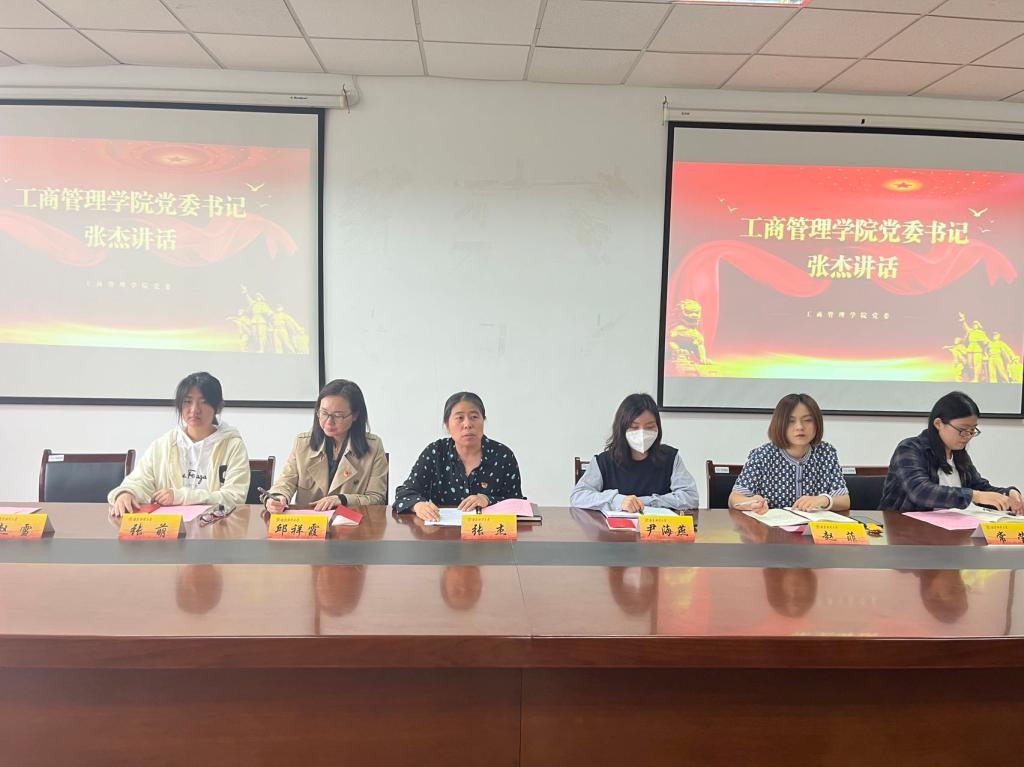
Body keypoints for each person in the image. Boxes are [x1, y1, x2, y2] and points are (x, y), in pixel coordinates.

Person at [108, 372, 250, 515]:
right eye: (187, 402)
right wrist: (126, 493)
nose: (194, 410)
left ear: (218, 407)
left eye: (204, 402)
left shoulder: (232, 446)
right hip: (169, 525)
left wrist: (181, 496)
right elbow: (139, 481)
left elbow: (235, 497)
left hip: (216, 524)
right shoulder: (164, 445)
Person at [878, 390, 1022, 513]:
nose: (967, 436)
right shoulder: (909, 449)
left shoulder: (959, 454)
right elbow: (920, 492)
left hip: (950, 530)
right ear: (938, 424)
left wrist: (1007, 493)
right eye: (962, 430)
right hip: (905, 529)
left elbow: (980, 487)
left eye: (972, 430)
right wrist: (975, 495)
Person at [393, 392, 523, 520]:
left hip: (489, 531)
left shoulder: (502, 455)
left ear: (483, 420)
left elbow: (518, 504)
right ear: (447, 425)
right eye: (460, 418)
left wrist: (488, 500)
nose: (467, 424)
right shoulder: (436, 452)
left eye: (474, 417)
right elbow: (405, 493)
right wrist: (418, 505)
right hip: (442, 530)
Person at [264, 379, 387, 512]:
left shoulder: (373, 447)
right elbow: (285, 481)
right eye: (324, 413)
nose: (329, 421)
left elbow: (377, 498)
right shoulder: (302, 443)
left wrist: (343, 499)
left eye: (338, 415)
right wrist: (278, 497)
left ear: (355, 415)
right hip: (309, 521)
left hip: (350, 521)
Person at [570, 393, 698, 513]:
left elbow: (691, 497)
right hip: (612, 529)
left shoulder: (670, 457)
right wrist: (617, 500)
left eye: (649, 427)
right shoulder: (604, 461)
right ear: (622, 428)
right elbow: (578, 496)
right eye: (634, 427)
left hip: (657, 527)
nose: (642, 433)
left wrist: (646, 502)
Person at [728, 393, 850, 512]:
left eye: (807, 420)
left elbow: (844, 501)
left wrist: (824, 499)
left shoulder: (826, 453)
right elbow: (734, 499)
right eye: (791, 421)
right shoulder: (763, 455)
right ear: (779, 424)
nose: (799, 427)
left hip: (813, 525)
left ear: (817, 424)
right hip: (772, 524)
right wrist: (752, 503)